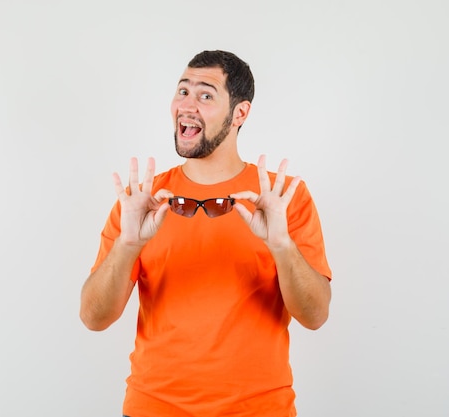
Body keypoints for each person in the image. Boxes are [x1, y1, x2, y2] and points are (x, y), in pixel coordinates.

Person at [79, 50, 332, 417]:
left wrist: (281, 245)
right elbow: (93, 318)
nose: (187, 104)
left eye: (206, 95)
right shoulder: (144, 201)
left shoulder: (282, 198)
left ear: (240, 113)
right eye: (182, 91)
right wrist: (127, 245)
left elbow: (315, 315)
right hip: (153, 407)